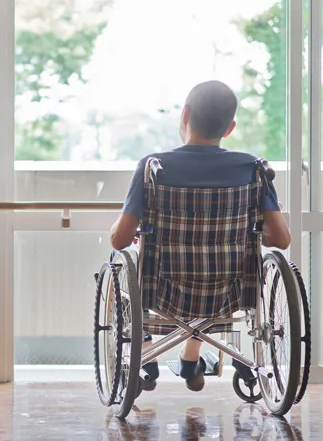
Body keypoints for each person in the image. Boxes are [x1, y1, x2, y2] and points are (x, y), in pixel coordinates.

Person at [108, 80, 291, 392]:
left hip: (164, 287)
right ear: (230, 128)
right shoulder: (253, 169)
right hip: (229, 290)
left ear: (185, 115)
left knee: (120, 264)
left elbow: (120, 240)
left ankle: (145, 351)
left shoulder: (154, 167)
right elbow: (281, 240)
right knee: (209, 268)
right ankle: (190, 359)